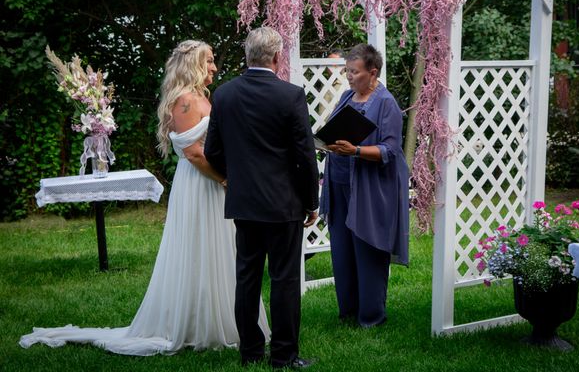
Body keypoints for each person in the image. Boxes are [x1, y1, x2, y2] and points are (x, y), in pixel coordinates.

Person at [19, 40, 269, 355]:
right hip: (201, 184)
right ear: (192, 64)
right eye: (208, 61)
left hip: (216, 184)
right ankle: (195, 324)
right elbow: (193, 153)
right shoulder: (184, 102)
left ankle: (222, 321)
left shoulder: (203, 97)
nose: (214, 68)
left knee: (221, 250)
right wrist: (224, 178)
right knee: (199, 250)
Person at [204, 27, 319, 369]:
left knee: (247, 276)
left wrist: (237, 177)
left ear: (247, 56)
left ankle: (250, 351)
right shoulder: (290, 95)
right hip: (283, 204)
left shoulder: (223, 95)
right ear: (276, 58)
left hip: (245, 203)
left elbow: (212, 150)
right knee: (284, 279)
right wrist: (311, 201)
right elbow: (305, 155)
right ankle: (283, 356)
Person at [319, 43, 409, 328]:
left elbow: (390, 151)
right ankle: (348, 311)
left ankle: (371, 316)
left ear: (373, 72)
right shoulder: (346, 97)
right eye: (347, 71)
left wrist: (355, 151)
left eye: (354, 73)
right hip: (339, 183)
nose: (349, 77)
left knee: (368, 247)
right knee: (342, 248)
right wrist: (326, 143)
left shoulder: (386, 103)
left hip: (370, 188)